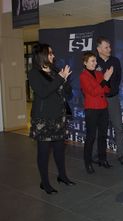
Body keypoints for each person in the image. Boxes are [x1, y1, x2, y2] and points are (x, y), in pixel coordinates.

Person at [28, 43, 75, 195]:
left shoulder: (55, 71)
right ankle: (45, 183)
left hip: (58, 117)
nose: (53, 56)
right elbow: (43, 92)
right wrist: (60, 79)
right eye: (50, 53)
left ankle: (62, 176)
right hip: (43, 119)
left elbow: (68, 92)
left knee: (60, 150)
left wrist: (65, 80)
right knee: (43, 153)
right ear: (41, 55)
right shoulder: (34, 73)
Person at [80, 51, 113, 174]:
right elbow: (92, 92)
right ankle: (88, 162)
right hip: (92, 109)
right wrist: (104, 80)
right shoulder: (83, 76)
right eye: (92, 61)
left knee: (103, 136)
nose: (95, 63)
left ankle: (102, 159)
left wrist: (106, 80)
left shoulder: (99, 73)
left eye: (95, 60)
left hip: (103, 108)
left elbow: (106, 89)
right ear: (85, 63)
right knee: (91, 137)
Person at [95, 37, 123, 165]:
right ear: (99, 49)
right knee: (100, 129)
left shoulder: (115, 61)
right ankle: (99, 155)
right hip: (99, 100)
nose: (109, 49)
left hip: (113, 99)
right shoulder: (94, 62)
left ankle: (121, 154)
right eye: (106, 47)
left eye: (109, 47)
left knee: (118, 127)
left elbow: (118, 78)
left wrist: (112, 90)